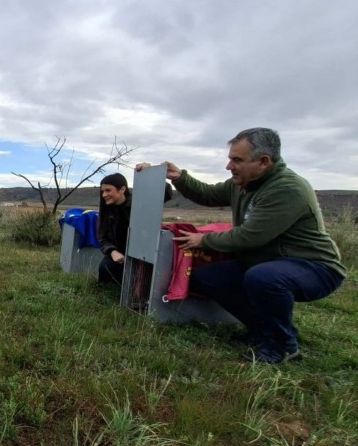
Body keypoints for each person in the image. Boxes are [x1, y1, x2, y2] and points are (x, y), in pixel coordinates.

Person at [137, 127, 346, 364]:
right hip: (268, 262)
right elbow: (208, 194)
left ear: (264, 162)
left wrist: (203, 240)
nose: (229, 166)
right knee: (207, 277)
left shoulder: (288, 188)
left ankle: (282, 345)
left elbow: (249, 236)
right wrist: (180, 177)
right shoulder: (243, 183)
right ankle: (262, 330)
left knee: (264, 278)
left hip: (313, 266)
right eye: (230, 159)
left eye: (236, 160)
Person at [96, 173, 172, 285]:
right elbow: (102, 238)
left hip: (145, 254)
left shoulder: (140, 202)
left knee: (144, 282)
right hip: (121, 254)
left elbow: (165, 191)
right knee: (105, 268)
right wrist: (112, 251)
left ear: (122, 189)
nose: (104, 194)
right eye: (102, 191)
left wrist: (149, 173)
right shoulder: (107, 212)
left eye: (108, 190)